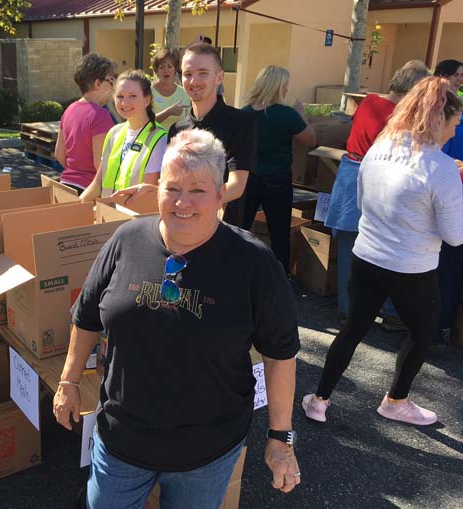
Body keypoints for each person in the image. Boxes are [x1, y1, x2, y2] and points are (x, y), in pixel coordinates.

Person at [55, 128, 301, 509]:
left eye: (197, 190)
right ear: (157, 190)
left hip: (206, 450)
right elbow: (87, 316)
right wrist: (68, 381)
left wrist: (282, 439)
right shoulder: (126, 241)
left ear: (221, 195)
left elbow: (281, 355)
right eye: (172, 188)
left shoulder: (253, 263)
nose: (182, 202)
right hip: (122, 440)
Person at [303, 77, 463, 426]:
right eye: (453, 124)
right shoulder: (440, 168)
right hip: (412, 267)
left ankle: (319, 400)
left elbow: (364, 202)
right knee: (422, 334)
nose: (454, 132)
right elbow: (455, 236)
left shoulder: (378, 148)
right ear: (438, 119)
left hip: (367, 256)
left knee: (353, 329)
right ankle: (395, 400)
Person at [324, 60, 430, 321]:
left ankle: (348, 308)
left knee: (351, 246)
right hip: (374, 181)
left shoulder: (369, 101)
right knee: (383, 248)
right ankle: (380, 311)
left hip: (350, 174)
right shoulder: (399, 116)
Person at [169, 43, 257, 227]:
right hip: (182, 227)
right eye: (188, 74)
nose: (194, 81)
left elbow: (237, 186)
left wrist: (191, 204)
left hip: (222, 231)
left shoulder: (241, 123)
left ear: (219, 77)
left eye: (203, 73)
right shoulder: (177, 129)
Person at [241, 65, 316, 274]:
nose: (287, 89)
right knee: (279, 233)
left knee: (239, 229)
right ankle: (280, 278)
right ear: (277, 86)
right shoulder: (287, 114)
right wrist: (302, 116)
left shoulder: (244, 113)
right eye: (285, 85)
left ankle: (234, 272)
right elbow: (311, 140)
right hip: (277, 179)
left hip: (248, 178)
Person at [80, 70, 168, 201]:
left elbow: (146, 195)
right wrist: (74, 206)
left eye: (132, 96)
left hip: (133, 217)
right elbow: (97, 185)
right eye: (120, 96)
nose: (124, 102)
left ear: (147, 100)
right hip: (108, 213)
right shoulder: (113, 133)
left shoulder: (159, 138)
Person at [54, 53, 117, 195]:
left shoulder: (69, 109)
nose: (113, 87)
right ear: (98, 83)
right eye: (111, 81)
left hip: (65, 185)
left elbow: (59, 153)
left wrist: (75, 171)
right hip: (89, 191)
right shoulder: (100, 115)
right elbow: (100, 164)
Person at [433, 59, 463, 344]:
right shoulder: (444, 113)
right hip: (448, 199)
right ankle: (434, 327)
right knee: (446, 267)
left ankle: (441, 325)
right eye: (457, 76)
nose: (461, 81)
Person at [150, 47, 191, 131]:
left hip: (177, 142)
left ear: (175, 69)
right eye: (162, 67)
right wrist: (168, 112)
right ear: (156, 71)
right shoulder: (148, 92)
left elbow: (189, 123)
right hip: (154, 141)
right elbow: (145, 123)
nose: (166, 70)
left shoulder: (184, 93)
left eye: (170, 66)